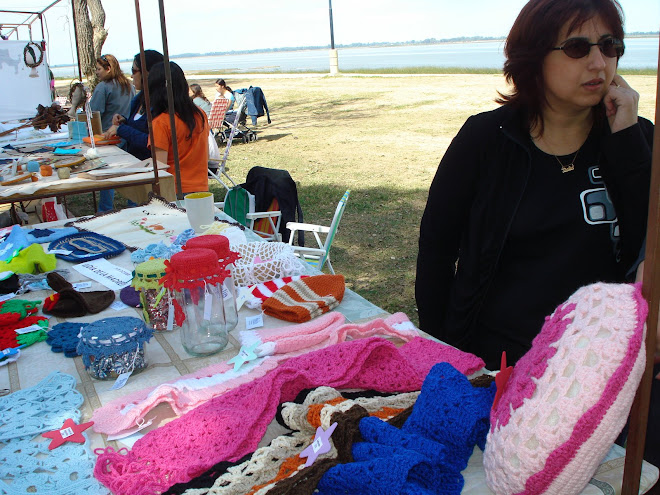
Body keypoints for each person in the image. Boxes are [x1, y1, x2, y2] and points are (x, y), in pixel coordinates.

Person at [416, 0, 655, 466]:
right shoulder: (487, 139)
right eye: (577, 47)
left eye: (609, 46)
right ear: (532, 59)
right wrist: (442, 350)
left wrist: (627, 139)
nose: (598, 62)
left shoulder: (635, 137)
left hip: (599, 363)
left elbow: (652, 240)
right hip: (502, 360)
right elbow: (437, 250)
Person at [149, 61, 210, 195]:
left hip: (174, 191)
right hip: (201, 189)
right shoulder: (200, 114)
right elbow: (204, 154)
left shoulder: (161, 123)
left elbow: (160, 171)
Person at [89, 53, 135, 212]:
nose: (97, 72)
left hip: (108, 137)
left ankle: (105, 210)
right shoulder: (129, 85)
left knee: (108, 176)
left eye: (99, 69)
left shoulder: (103, 87)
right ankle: (134, 205)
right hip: (127, 135)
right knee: (130, 174)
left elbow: (94, 113)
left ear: (108, 69)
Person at [102, 50, 164, 160]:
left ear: (148, 73)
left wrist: (121, 129)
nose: (131, 76)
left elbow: (153, 142)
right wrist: (125, 122)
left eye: (134, 71)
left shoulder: (162, 105)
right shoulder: (139, 99)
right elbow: (140, 128)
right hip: (133, 161)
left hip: (149, 166)